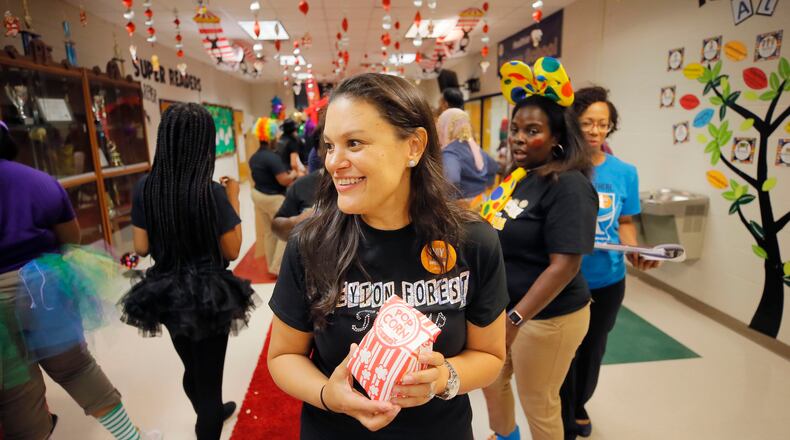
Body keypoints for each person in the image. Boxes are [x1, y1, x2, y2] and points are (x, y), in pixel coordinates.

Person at [267, 73, 510, 439]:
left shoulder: (472, 241)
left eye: (354, 143)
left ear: (413, 146)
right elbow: (283, 356)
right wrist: (328, 395)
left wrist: (443, 378)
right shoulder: (311, 243)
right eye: (330, 145)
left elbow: (490, 356)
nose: (334, 162)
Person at [0, 121, 161, 440]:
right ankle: (132, 438)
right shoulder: (37, 181)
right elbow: (70, 237)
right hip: (42, 285)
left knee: (16, 388)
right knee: (76, 367)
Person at [119, 104, 258, 440]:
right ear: (205, 144)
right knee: (209, 382)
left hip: (165, 292)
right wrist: (233, 198)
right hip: (209, 293)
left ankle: (208, 410)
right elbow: (232, 249)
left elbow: (140, 248)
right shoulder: (209, 191)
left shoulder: (145, 188)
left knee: (193, 366)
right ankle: (209, 414)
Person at [480, 58, 598, 440]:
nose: (516, 138)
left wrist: (515, 320)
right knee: (491, 379)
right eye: (514, 128)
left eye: (531, 130)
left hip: (547, 317)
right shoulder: (520, 178)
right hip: (505, 307)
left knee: (538, 401)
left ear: (556, 138)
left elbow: (564, 266)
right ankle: (505, 436)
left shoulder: (569, 186)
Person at [560, 86, 659, 439]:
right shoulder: (562, 169)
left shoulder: (625, 172)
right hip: (564, 281)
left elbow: (626, 222)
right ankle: (562, 411)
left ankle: (578, 403)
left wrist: (635, 250)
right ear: (574, 123)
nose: (596, 131)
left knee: (592, 348)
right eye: (588, 123)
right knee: (563, 352)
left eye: (603, 124)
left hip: (607, 279)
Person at [249, 139, 297, 275]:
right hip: (273, 198)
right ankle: (276, 268)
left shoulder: (254, 157)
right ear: (271, 139)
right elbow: (284, 180)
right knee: (285, 231)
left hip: (258, 195)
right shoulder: (272, 157)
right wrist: (294, 173)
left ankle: (271, 265)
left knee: (269, 232)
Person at [437, 108, 497, 201]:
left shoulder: (451, 151)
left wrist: (449, 202)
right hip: (482, 201)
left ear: (447, 126)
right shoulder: (474, 147)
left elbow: (451, 180)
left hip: (464, 207)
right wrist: (483, 187)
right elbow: (493, 166)